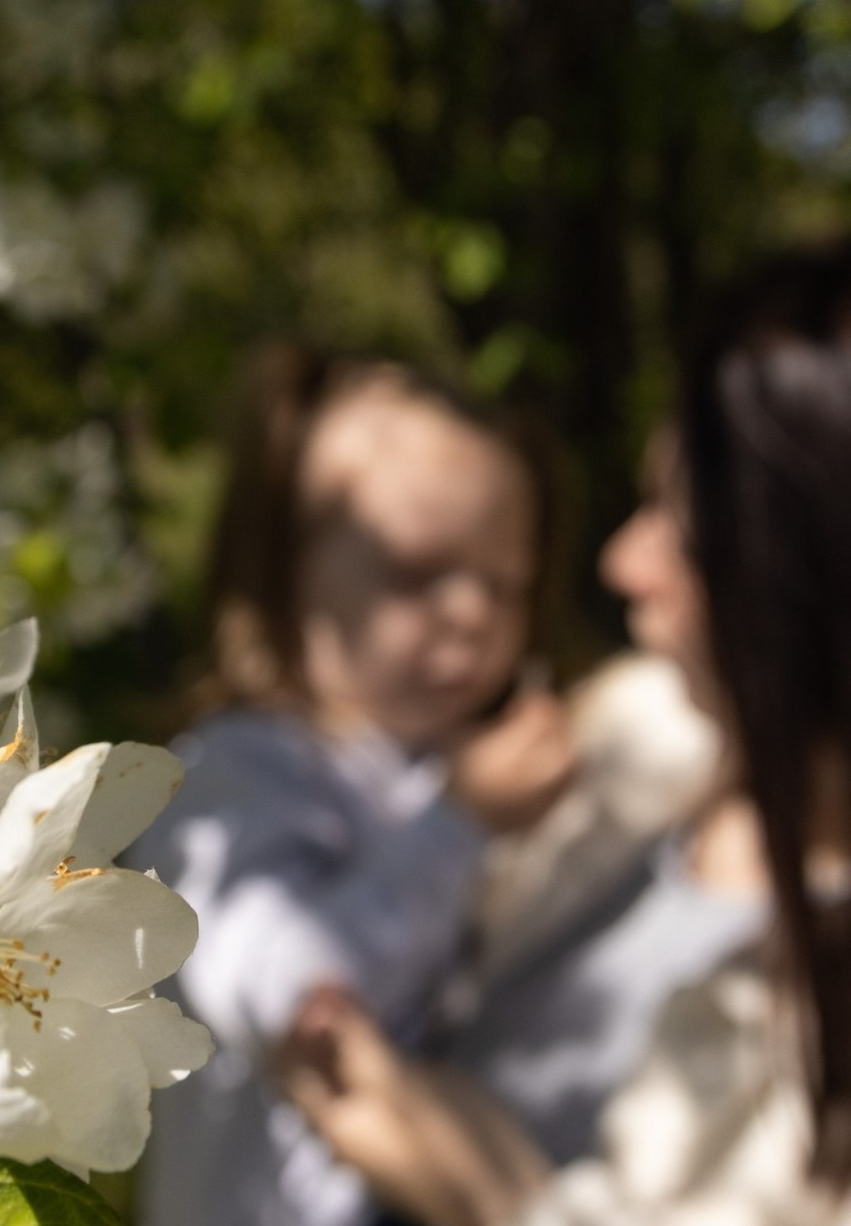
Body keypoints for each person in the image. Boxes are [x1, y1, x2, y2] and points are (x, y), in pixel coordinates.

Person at [279, 239, 851, 1225]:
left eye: (680, 527)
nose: (622, 561)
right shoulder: (626, 740)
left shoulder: (817, 1013)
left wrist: (491, 1195)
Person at [132, 346, 573, 1226]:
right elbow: (290, 990)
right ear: (282, 572)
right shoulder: (231, 772)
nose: (473, 615)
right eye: (415, 572)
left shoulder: (440, 764)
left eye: (505, 584)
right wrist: (466, 824)